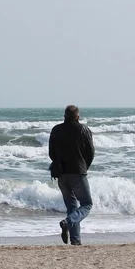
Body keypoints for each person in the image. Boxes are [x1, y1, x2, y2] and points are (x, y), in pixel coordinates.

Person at [49, 105, 94, 246]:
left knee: (71, 207)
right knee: (87, 204)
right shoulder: (84, 130)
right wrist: (84, 166)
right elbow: (90, 153)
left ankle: (76, 240)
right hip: (78, 172)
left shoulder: (56, 130)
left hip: (61, 174)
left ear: (64, 116)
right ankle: (67, 223)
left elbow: (51, 153)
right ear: (77, 117)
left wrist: (58, 164)